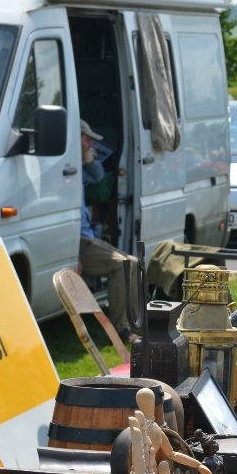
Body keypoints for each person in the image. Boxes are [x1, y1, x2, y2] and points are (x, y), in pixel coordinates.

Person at [79, 119, 138, 338]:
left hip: (87, 237)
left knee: (133, 263)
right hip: (79, 241)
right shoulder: (66, 169)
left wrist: (87, 158)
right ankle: (121, 328)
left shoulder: (80, 168)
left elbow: (98, 175)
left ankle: (134, 325)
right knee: (123, 265)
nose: (90, 144)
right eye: (86, 139)